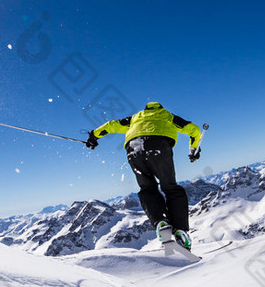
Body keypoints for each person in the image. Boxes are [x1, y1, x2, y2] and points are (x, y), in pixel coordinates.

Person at [85, 102, 202, 250]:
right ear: (160, 109)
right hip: (159, 147)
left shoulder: (135, 118)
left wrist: (93, 136)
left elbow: (111, 125)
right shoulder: (168, 116)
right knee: (171, 188)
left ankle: (160, 221)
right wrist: (193, 150)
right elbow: (195, 130)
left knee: (147, 188)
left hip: (134, 149)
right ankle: (180, 230)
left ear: (145, 110)